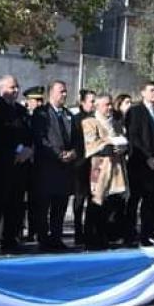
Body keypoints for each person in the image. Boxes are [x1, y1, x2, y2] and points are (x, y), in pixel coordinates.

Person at [0, 75, 34, 253]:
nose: (16, 91)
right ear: (2, 88)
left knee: (15, 205)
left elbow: (29, 133)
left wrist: (28, 149)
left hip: (20, 166)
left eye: (17, 87)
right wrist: (15, 151)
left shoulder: (21, 110)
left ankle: (10, 240)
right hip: (0, 165)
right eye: (12, 87)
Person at [32, 80, 79, 251]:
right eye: (61, 91)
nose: (64, 94)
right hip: (47, 166)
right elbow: (41, 139)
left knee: (60, 206)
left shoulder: (69, 115)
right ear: (51, 92)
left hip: (65, 169)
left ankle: (56, 238)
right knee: (44, 206)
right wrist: (58, 154)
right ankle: (43, 239)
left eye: (66, 91)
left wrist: (73, 152)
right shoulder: (41, 113)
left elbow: (77, 140)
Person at [126, 81, 154, 246]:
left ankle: (147, 233)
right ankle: (129, 233)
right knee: (134, 200)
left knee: (151, 201)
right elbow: (133, 137)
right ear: (143, 93)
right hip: (140, 163)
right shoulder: (135, 111)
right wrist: (148, 157)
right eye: (151, 91)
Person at [81, 95, 129, 250]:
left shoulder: (116, 123)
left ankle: (106, 237)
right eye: (106, 105)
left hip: (115, 170)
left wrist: (122, 147)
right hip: (99, 170)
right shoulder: (89, 122)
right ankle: (91, 239)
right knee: (96, 204)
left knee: (111, 206)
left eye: (110, 105)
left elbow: (123, 140)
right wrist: (109, 143)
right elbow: (90, 144)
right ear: (97, 106)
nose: (109, 108)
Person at [71, 89, 96, 247]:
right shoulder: (76, 119)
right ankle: (78, 231)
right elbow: (75, 140)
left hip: (95, 165)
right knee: (79, 200)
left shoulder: (96, 118)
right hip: (81, 164)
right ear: (82, 102)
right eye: (91, 101)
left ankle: (90, 231)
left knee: (94, 199)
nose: (93, 104)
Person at [107, 93, 133, 244]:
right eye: (126, 102)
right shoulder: (115, 120)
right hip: (113, 165)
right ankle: (112, 233)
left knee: (123, 200)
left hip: (124, 163)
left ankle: (123, 231)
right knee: (113, 201)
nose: (129, 105)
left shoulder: (128, 120)